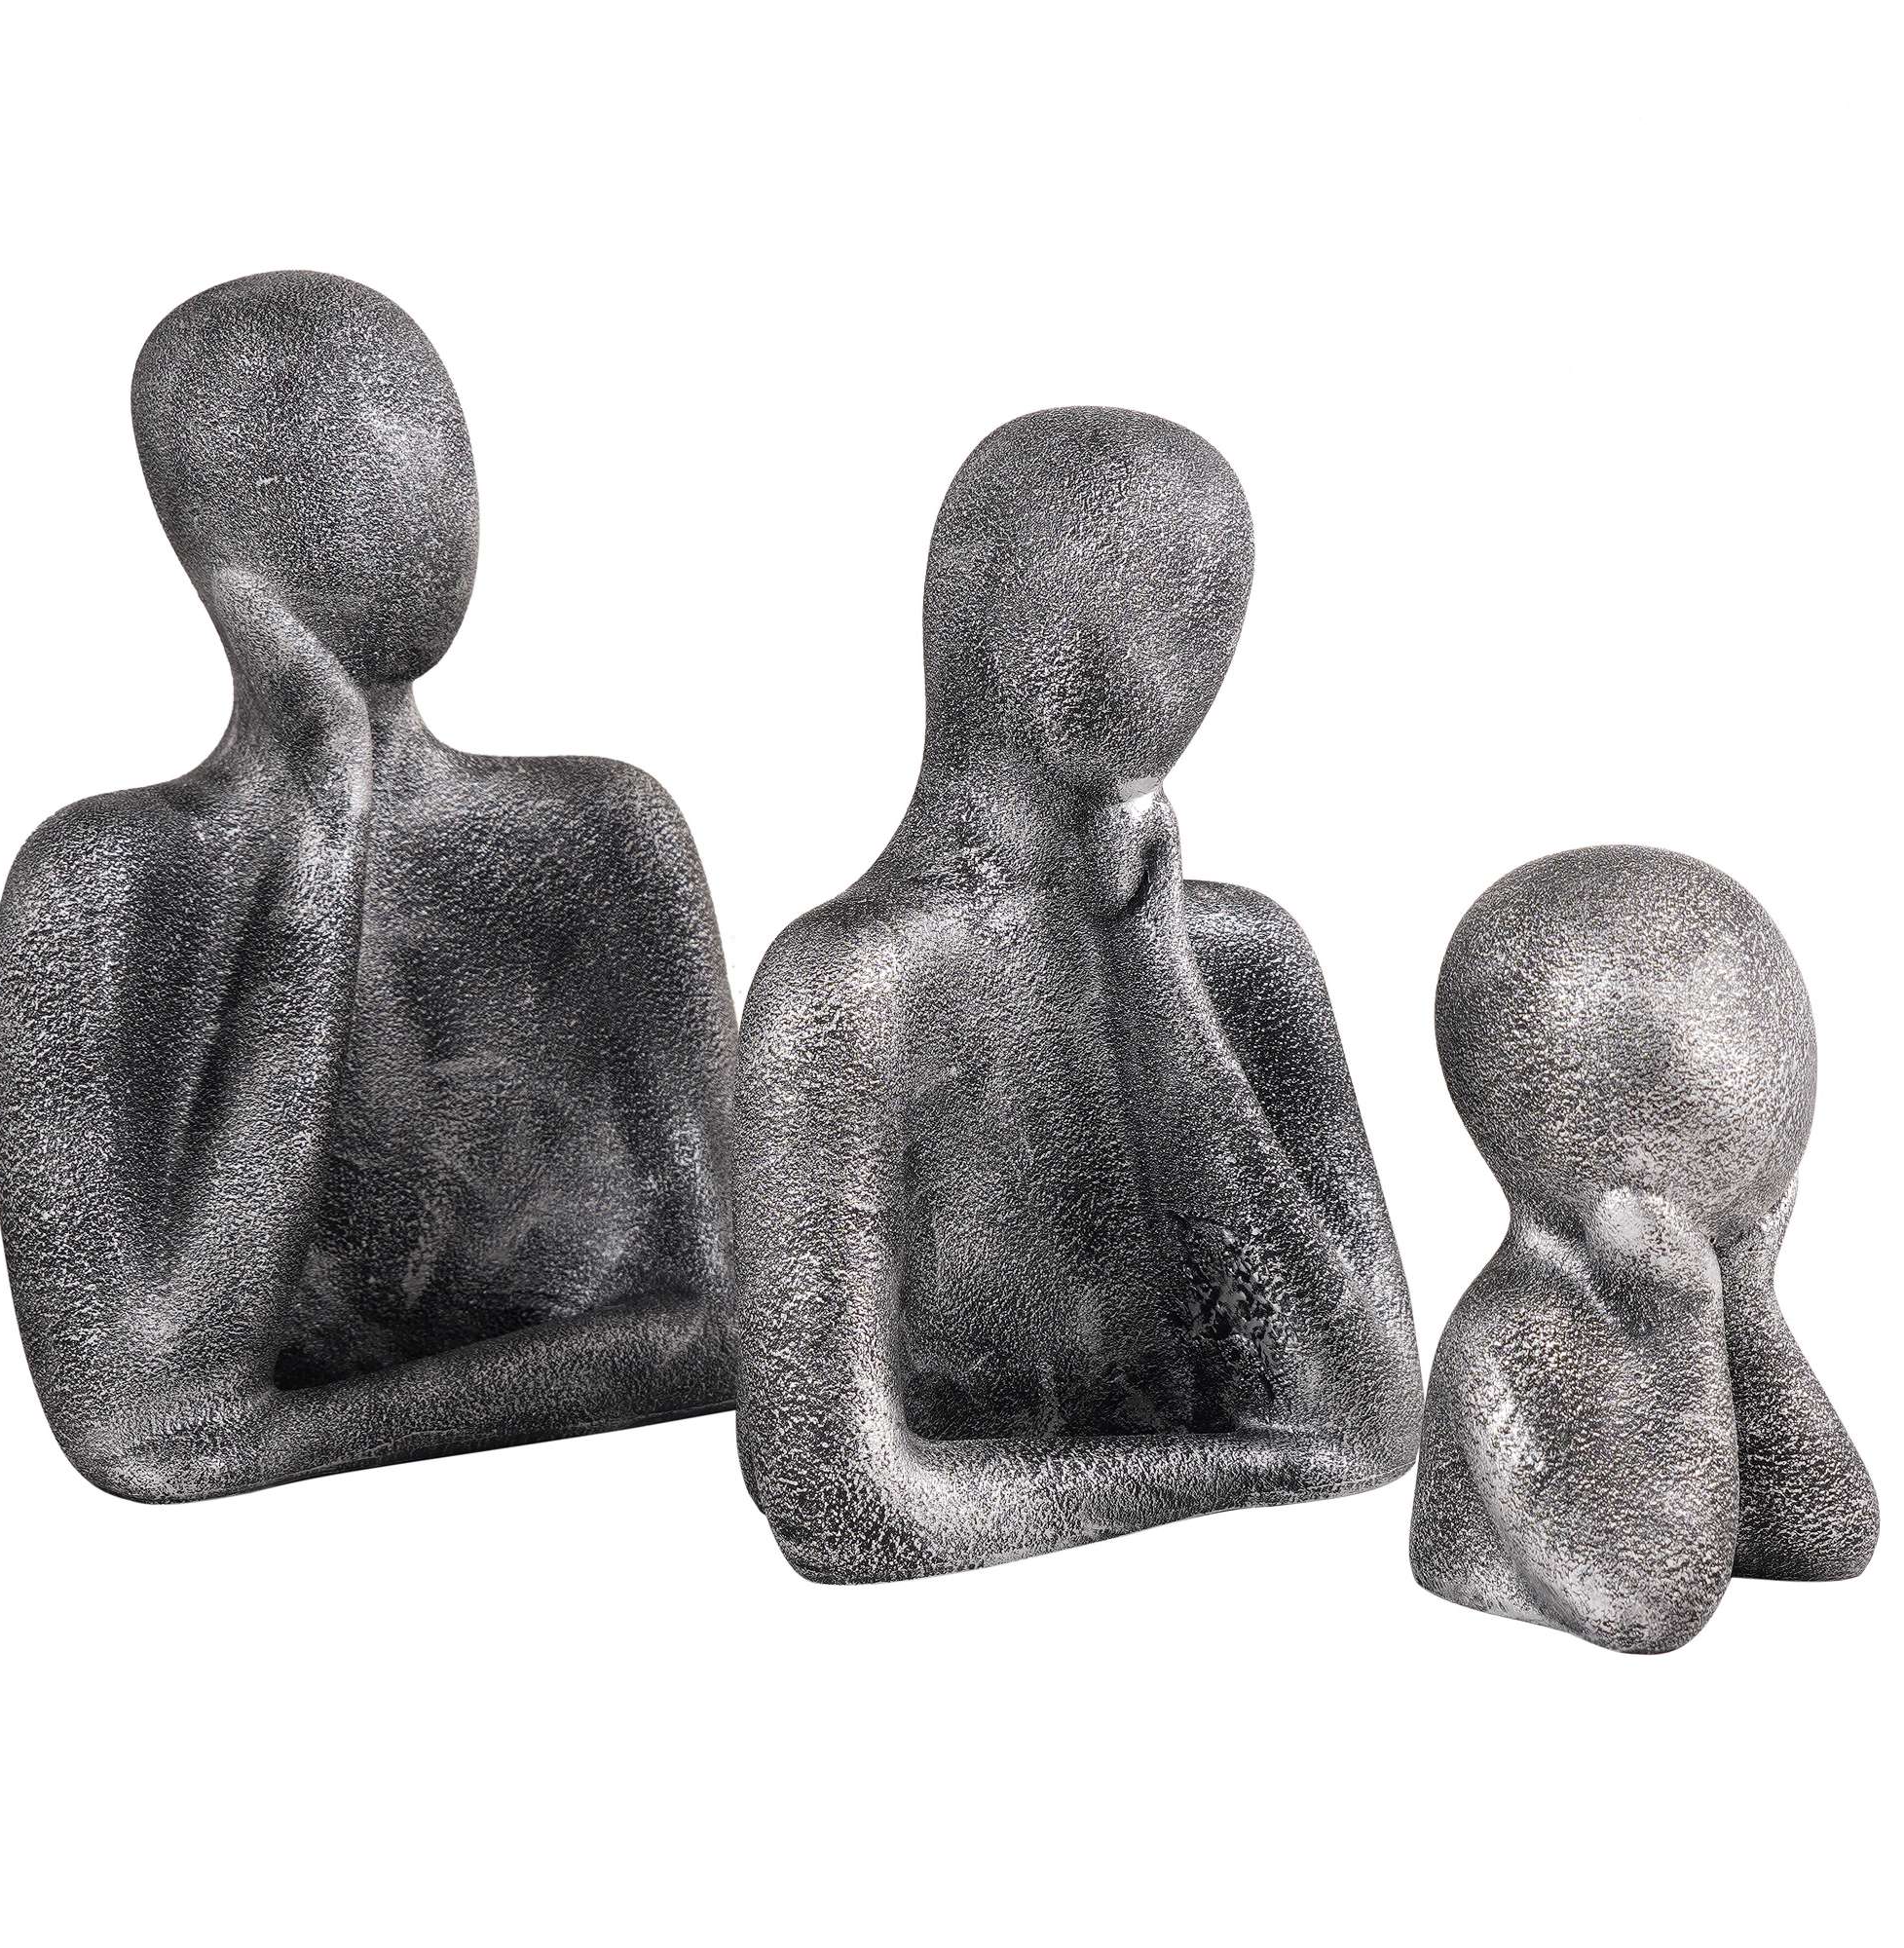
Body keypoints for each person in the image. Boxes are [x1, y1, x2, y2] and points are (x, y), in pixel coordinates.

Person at [0, 271, 735, 1500]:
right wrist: (320, 843)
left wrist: (280, 1441)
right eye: (344, 464)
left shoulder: (605, 832)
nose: (425, 504)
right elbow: (136, 1423)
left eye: (436, 447)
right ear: (217, 543)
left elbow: (737, 1323)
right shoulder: (104, 882)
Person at [736, 407, 1422, 1581]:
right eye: (1157, 611)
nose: (1190, 662)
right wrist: (1247, 1469)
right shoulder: (844, 988)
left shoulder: (1244, 958)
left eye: (1210, 617)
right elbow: (833, 1504)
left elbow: (1369, 1410)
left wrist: (1155, 983)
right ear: (994, 624)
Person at [1412, 845, 1880, 1650]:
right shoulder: (1511, 1336)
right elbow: (1646, 1607)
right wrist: (1682, 1328)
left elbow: (1830, 1530)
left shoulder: (1687, 1280)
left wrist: (1749, 1301)